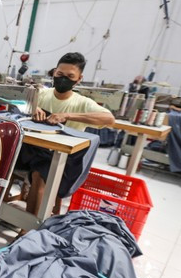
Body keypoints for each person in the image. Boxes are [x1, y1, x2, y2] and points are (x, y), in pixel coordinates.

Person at [25, 52, 115, 219]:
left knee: (40, 172)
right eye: (59, 74)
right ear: (54, 72)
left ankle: (27, 228)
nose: (63, 79)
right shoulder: (41, 94)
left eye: (70, 76)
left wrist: (69, 116)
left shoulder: (82, 103)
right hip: (33, 149)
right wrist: (30, 106)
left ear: (79, 79)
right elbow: (15, 99)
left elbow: (109, 118)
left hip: (61, 158)